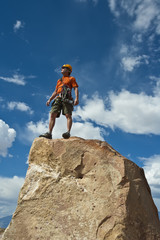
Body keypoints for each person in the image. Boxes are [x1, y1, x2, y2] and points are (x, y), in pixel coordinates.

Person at [39, 64, 79, 139]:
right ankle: (49, 133)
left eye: (64, 68)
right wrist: (50, 99)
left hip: (67, 98)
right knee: (52, 114)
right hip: (58, 98)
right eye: (62, 68)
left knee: (68, 115)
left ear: (69, 70)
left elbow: (75, 88)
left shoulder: (71, 78)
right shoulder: (59, 80)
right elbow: (56, 91)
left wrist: (77, 98)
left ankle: (68, 132)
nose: (62, 69)